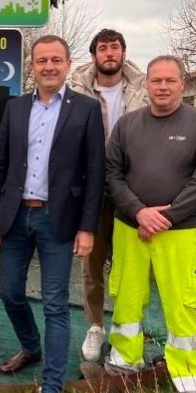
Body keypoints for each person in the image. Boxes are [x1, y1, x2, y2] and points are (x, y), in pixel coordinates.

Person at [0, 35, 105, 393]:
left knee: (55, 304)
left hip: (59, 220)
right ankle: (30, 346)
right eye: (41, 60)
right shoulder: (15, 107)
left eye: (56, 59)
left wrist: (87, 227)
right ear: (32, 66)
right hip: (15, 217)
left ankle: (51, 387)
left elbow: (95, 173)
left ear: (68, 64)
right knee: (10, 292)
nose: (49, 66)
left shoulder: (86, 109)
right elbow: (1, 165)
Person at [101, 56, 196, 393]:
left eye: (170, 80)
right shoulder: (128, 124)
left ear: (182, 84)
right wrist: (138, 212)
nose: (163, 87)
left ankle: (193, 392)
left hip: (181, 231)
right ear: (147, 84)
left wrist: (165, 218)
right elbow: (112, 173)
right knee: (126, 298)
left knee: (183, 307)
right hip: (130, 228)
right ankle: (123, 365)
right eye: (156, 80)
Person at [69, 28, 148, 362]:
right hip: (92, 190)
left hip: (132, 189)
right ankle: (96, 326)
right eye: (103, 48)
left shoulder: (144, 88)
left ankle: (127, 326)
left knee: (131, 265)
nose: (110, 53)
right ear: (94, 56)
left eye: (115, 47)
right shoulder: (76, 91)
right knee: (92, 265)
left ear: (123, 53)